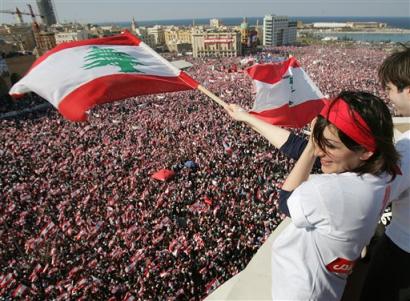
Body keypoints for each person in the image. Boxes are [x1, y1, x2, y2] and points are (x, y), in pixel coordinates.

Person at [225, 90, 400, 300]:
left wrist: (310, 146)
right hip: (328, 286)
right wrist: (247, 118)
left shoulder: (331, 192)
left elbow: (286, 201)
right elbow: (297, 147)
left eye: (330, 146)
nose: (319, 151)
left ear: (365, 151)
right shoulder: (383, 170)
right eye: (319, 142)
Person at [360, 47, 410, 301]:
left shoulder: (408, 147)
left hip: (402, 251)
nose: (388, 97)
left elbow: (376, 192)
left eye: (390, 89)